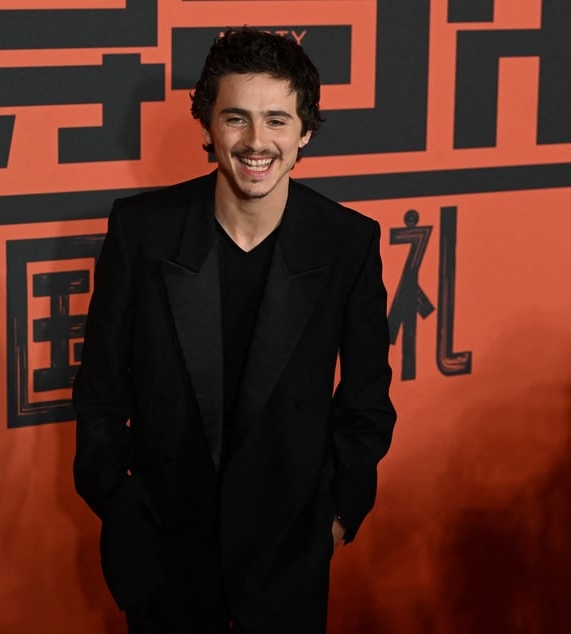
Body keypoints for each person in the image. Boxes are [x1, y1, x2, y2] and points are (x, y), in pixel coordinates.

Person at [72, 28, 396, 634]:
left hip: (287, 557)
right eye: (236, 119)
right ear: (209, 127)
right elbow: (99, 390)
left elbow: (367, 402)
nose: (256, 143)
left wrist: (335, 517)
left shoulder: (347, 242)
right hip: (163, 552)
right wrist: (118, 501)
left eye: (277, 121)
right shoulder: (143, 230)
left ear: (305, 133)